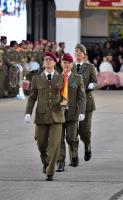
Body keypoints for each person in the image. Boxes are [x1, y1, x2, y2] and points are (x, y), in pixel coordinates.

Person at [24, 52, 65, 181]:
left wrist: (65, 102)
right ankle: (46, 162)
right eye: (46, 60)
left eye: (50, 59)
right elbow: (32, 98)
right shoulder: (37, 79)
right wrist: (28, 113)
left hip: (57, 116)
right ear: (43, 63)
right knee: (41, 144)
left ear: (54, 62)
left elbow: (66, 95)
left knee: (54, 145)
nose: (47, 61)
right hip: (41, 116)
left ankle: (50, 172)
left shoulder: (61, 78)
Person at [56, 53, 86, 172]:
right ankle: (60, 162)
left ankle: (74, 155)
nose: (67, 65)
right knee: (59, 139)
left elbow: (82, 97)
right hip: (58, 113)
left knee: (71, 138)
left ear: (72, 64)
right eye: (64, 62)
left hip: (72, 113)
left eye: (69, 62)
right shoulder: (56, 78)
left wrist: (82, 111)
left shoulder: (77, 78)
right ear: (61, 64)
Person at [73, 43, 97, 163]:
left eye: (80, 51)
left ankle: (87, 146)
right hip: (72, 103)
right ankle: (74, 156)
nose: (78, 53)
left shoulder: (90, 67)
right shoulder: (70, 66)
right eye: (76, 51)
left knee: (84, 131)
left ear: (84, 55)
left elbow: (94, 81)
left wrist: (91, 85)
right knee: (72, 133)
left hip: (87, 102)